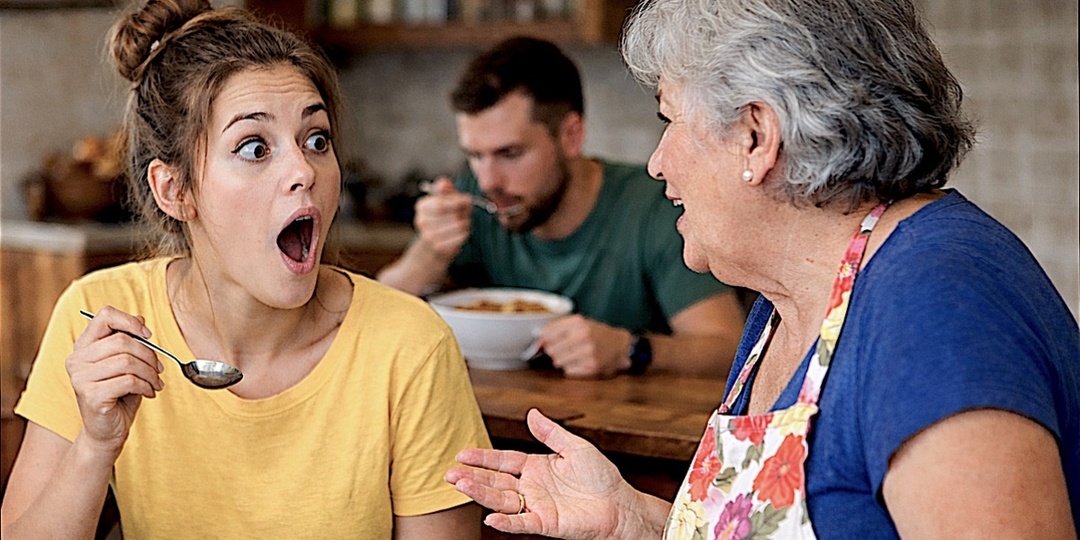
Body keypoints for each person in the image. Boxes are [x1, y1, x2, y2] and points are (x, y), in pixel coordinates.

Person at [443, 0, 1080, 538]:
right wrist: (634, 521)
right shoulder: (793, 296)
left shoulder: (935, 308)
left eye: (669, 120)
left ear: (756, 136)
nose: (658, 163)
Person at [0, 1, 490, 538]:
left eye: (316, 140)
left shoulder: (411, 348)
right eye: (255, 148)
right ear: (174, 189)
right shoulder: (102, 320)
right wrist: (95, 448)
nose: (304, 170)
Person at [377, 36, 746, 379]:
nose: (489, 180)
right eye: (474, 155)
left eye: (510, 154)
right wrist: (428, 254)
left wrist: (629, 350)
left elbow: (728, 348)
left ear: (571, 135)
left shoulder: (655, 206)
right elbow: (374, 316)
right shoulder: (470, 198)